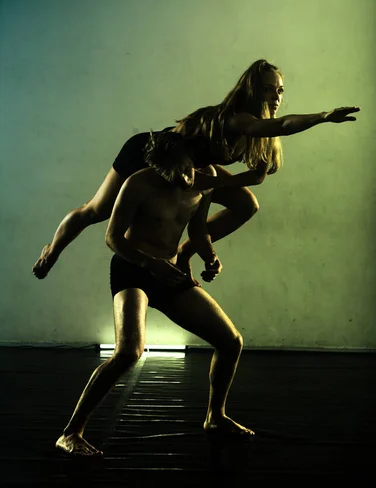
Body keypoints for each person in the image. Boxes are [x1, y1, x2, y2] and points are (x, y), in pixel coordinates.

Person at [33, 59, 360, 281]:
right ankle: (53, 250)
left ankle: (187, 253)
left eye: (280, 90)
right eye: (268, 89)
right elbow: (286, 125)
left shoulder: (262, 133)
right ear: (252, 91)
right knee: (96, 211)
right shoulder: (237, 118)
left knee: (247, 205)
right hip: (152, 151)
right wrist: (322, 117)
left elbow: (258, 176)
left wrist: (209, 181)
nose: (276, 96)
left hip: (193, 169)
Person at [55, 132, 254, 457]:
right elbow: (112, 238)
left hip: (170, 273)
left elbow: (197, 229)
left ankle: (215, 418)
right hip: (133, 269)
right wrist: (150, 264)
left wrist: (209, 256)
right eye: (178, 173)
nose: (187, 180)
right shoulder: (139, 184)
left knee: (231, 342)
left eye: (192, 172)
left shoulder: (207, 180)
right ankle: (70, 432)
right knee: (129, 352)